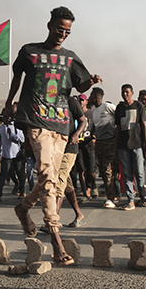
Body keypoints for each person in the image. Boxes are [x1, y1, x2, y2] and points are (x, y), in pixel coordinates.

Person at [4, 6, 101, 266]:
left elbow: (78, 86)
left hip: (61, 125)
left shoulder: (70, 58)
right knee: (47, 174)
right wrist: (8, 103)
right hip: (36, 121)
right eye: (60, 29)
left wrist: (89, 82)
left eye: (67, 31)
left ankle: (23, 208)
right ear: (50, 25)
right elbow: (16, 79)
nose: (63, 35)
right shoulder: (29, 51)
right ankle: (56, 239)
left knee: (51, 178)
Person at [113, 84, 146, 210]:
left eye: (127, 92)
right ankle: (130, 200)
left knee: (139, 173)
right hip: (123, 146)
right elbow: (118, 128)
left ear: (132, 93)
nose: (125, 94)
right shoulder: (119, 108)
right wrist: (115, 146)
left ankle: (143, 195)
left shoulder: (138, 106)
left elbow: (144, 125)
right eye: (123, 92)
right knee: (127, 174)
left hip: (137, 145)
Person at [54, 95, 87, 227]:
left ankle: (52, 220)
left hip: (69, 148)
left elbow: (83, 121)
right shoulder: (49, 101)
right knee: (66, 184)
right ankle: (79, 214)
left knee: (58, 184)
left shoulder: (71, 101)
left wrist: (76, 134)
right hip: (56, 148)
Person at [90, 87, 118, 207]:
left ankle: (111, 198)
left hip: (110, 142)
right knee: (102, 170)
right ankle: (111, 194)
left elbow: (118, 117)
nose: (90, 97)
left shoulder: (107, 107)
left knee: (107, 170)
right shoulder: (93, 110)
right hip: (99, 142)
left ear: (96, 97)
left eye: (91, 95)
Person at [0, 115, 25, 201]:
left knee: (20, 173)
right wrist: (0, 153)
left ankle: (22, 191)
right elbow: (1, 141)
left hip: (16, 154)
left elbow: (21, 140)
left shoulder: (17, 127)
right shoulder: (2, 128)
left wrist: (11, 134)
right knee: (3, 174)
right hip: (6, 154)